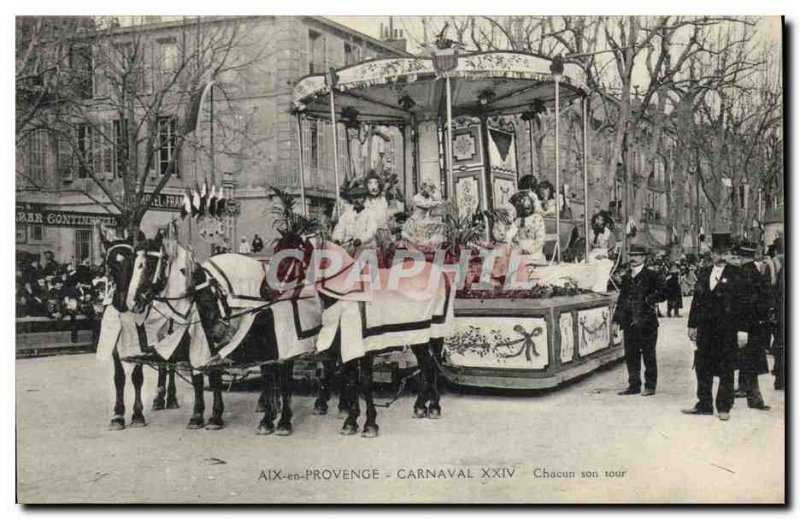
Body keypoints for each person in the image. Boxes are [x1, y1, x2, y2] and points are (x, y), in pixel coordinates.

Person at [683, 233, 749, 421]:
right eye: (718, 252)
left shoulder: (737, 275)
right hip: (705, 330)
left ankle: (724, 406)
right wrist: (692, 325)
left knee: (726, 368)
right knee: (703, 367)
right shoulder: (704, 273)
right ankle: (704, 404)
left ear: (729, 254)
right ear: (711, 254)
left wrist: (743, 330)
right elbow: (697, 300)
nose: (721, 256)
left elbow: (745, 304)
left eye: (725, 253)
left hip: (727, 330)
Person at [612, 245, 668, 396]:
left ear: (644, 257)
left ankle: (650, 386)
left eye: (637, 255)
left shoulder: (652, 275)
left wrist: (650, 299)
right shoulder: (626, 277)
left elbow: (664, 292)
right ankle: (634, 385)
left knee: (649, 355)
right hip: (629, 322)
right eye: (631, 255)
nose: (633, 258)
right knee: (631, 355)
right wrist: (616, 320)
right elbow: (622, 299)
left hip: (647, 322)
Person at [730, 242, 772, 410]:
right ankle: (744, 390)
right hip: (754, 325)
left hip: (746, 325)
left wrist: (743, 327)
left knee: (749, 361)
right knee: (748, 359)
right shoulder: (754, 272)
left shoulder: (744, 274)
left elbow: (745, 304)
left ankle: (755, 399)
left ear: (740, 257)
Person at [331, 184, 378, 255]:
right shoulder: (346, 214)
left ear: (364, 199)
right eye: (354, 198)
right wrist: (337, 239)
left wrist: (360, 240)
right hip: (348, 249)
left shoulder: (371, 213)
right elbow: (339, 228)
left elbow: (371, 231)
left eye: (359, 197)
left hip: (365, 249)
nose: (356, 200)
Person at [401, 183, 445, 253]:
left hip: (425, 220)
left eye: (430, 190)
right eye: (425, 189)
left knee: (434, 232)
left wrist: (433, 196)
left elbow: (438, 202)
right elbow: (426, 205)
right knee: (414, 240)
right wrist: (434, 202)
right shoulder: (416, 197)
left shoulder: (429, 198)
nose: (426, 191)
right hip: (415, 219)